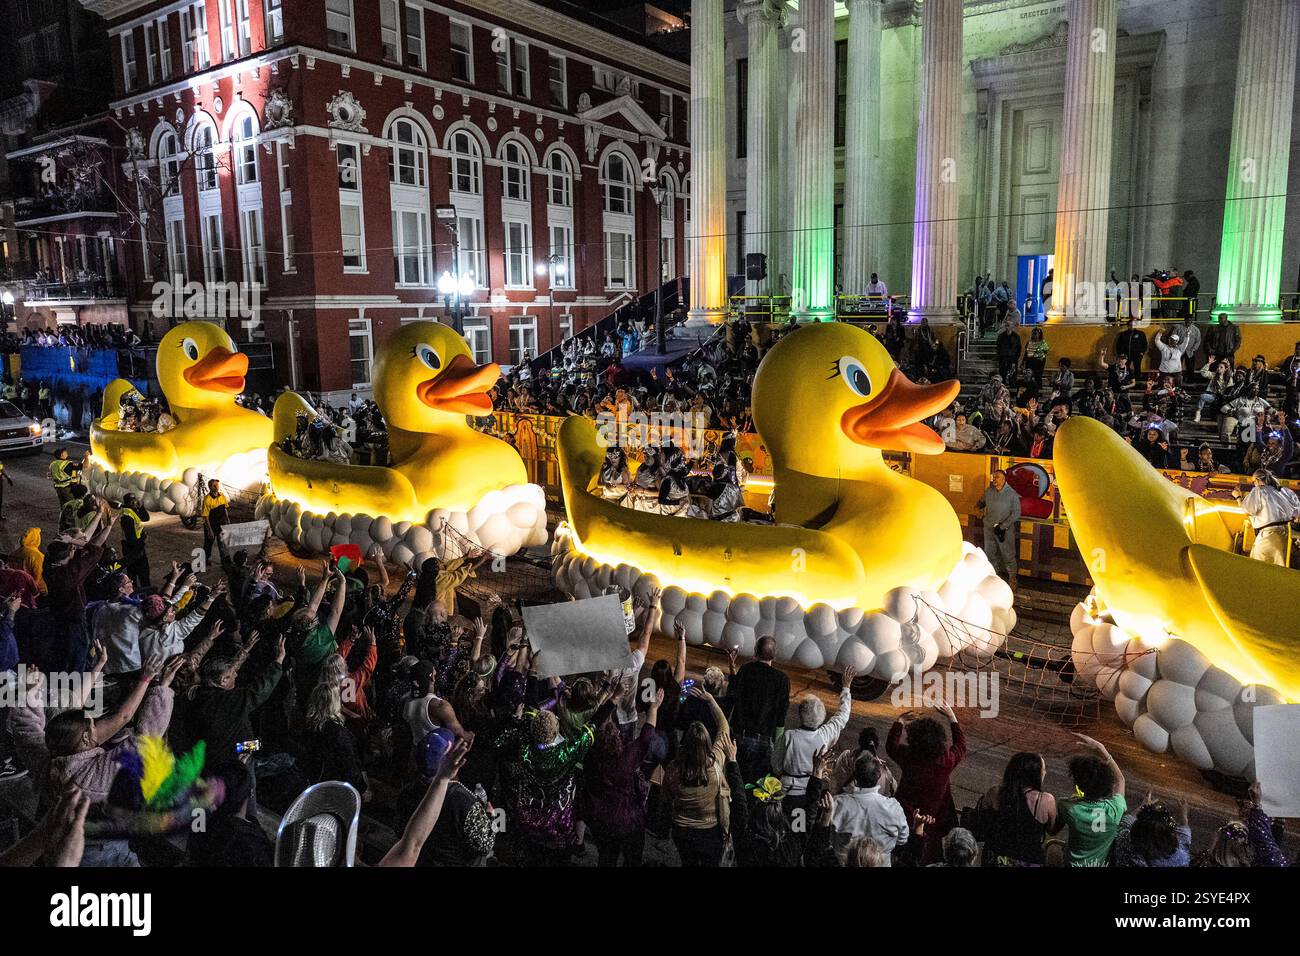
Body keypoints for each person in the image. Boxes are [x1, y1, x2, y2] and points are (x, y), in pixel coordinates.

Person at [580, 691, 663, 867]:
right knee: (632, 859)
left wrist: (612, 700)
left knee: (606, 858)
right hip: (627, 822)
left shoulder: (588, 756)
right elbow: (646, 737)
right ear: (617, 739)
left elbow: (590, 726)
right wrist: (654, 708)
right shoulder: (625, 757)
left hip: (599, 820)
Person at [887, 702, 966, 866]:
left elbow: (891, 746)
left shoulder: (908, 757)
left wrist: (900, 721)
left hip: (907, 811)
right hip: (936, 814)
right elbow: (960, 746)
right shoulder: (946, 761)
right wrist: (952, 717)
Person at [663, 686, 732, 866]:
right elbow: (724, 727)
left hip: (682, 829)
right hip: (708, 830)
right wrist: (711, 701)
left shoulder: (674, 768)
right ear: (708, 743)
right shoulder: (715, 762)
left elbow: (666, 796)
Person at [772, 665, 855, 807]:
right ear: (821, 717)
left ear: (800, 714)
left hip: (784, 791)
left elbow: (776, 765)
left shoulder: (788, 736)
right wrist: (846, 688)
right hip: (810, 791)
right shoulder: (824, 736)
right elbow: (842, 717)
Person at [975, 751, 1057, 866]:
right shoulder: (1046, 800)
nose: (1045, 772)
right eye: (1043, 769)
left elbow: (980, 816)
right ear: (1033, 774)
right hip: (1028, 860)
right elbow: (1052, 829)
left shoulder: (995, 793)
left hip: (995, 856)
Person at [727, 634, 789, 785]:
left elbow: (733, 694)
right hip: (764, 740)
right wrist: (778, 743)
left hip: (739, 736)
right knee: (757, 785)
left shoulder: (745, 670)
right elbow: (781, 715)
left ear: (756, 650)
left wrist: (732, 668)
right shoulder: (782, 679)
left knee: (734, 779)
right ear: (774, 654)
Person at [830, 751, 910, 864]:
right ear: (878, 776)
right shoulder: (893, 808)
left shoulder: (838, 805)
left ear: (855, 776)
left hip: (845, 863)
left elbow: (828, 837)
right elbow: (902, 839)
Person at [1061, 733, 1127, 867]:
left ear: (1078, 786)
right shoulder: (1115, 809)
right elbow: (1120, 780)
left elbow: (1053, 829)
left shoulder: (1068, 807)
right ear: (1107, 783)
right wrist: (1102, 749)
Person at [1233, 469, 1300, 565]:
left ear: (1257, 480)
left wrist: (1238, 497)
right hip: (1287, 535)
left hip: (1269, 536)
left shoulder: (1259, 490)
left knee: (1259, 567)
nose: (1254, 484)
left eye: (1253, 482)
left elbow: (1247, 510)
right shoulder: (1286, 491)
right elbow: (1297, 513)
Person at [978, 469, 1021, 585]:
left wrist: (1003, 525)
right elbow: (981, 502)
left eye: (997, 477)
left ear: (1004, 479)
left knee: (1008, 554)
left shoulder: (1012, 494)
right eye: (993, 477)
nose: (994, 480)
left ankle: (1012, 578)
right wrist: (979, 508)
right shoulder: (989, 491)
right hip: (988, 527)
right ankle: (995, 576)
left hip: (1004, 530)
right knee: (990, 553)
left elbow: (1016, 513)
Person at [199, 478, 230, 560]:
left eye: (217, 485)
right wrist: (210, 531)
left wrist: (227, 521)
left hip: (221, 525)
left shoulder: (222, 496)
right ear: (210, 487)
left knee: (222, 544)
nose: (216, 487)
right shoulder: (207, 499)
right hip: (211, 525)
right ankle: (205, 560)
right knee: (208, 545)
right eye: (214, 485)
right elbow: (205, 516)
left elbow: (225, 509)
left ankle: (225, 561)